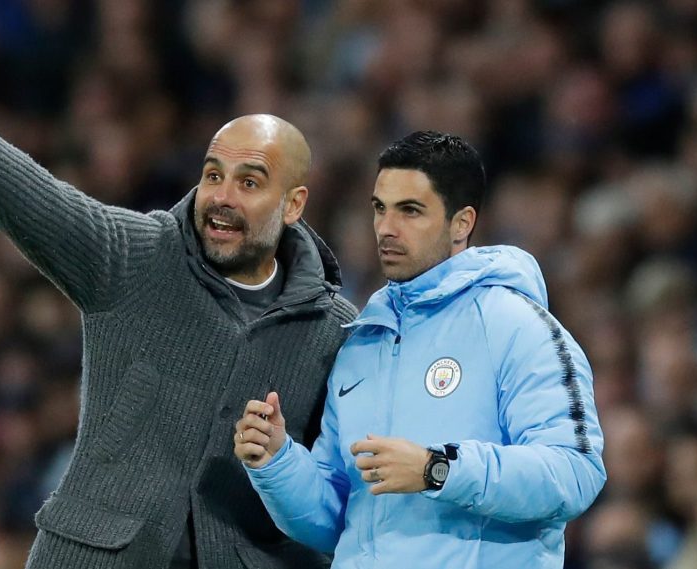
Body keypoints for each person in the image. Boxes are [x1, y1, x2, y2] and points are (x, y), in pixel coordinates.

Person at [0, 29, 357, 569]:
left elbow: (336, 496)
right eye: (214, 175)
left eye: (250, 182)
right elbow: (43, 204)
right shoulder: (142, 257)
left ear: (293, 204)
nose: (223, 197)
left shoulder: (334, 329)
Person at [234, 131, 606, 568]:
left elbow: (576, 472)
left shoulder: (516, 326)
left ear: (462, 223)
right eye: (379, 208)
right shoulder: (362, 344)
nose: (386, 228)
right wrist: (278, 462)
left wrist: (438, 469)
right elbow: (337, 522)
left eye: (410, 211)